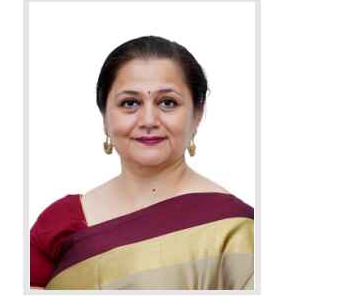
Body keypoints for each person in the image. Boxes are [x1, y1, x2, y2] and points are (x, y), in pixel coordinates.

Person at [30, 36, 254, 290]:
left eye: (167, 103)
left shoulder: (234, 228)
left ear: (198, 114)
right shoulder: (58, 223)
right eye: (130, 103)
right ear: (105, 116)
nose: (148, 120)